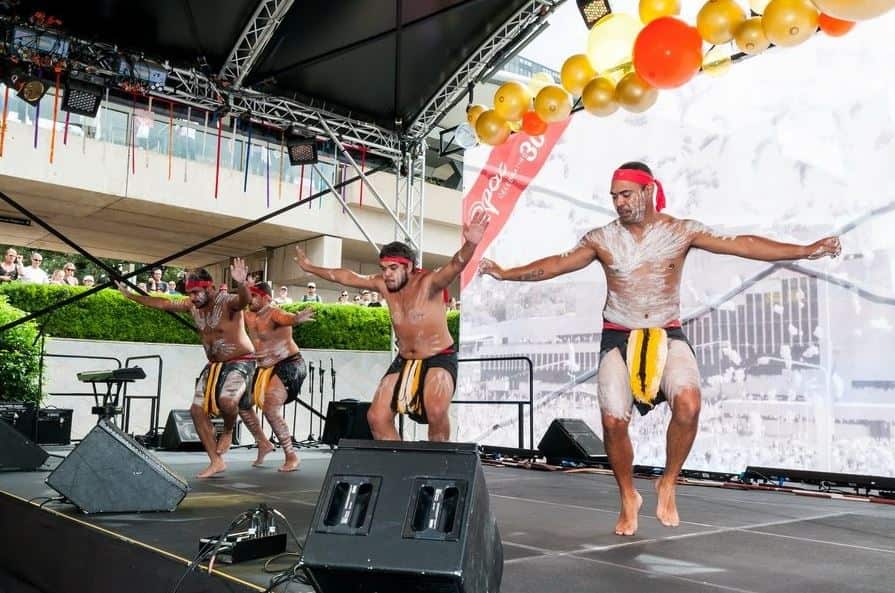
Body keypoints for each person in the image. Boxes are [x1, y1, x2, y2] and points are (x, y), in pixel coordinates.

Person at [478, 161, 841, 536]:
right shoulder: (602, 238)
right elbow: (557, 264)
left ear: (648, 190)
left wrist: (804, 249)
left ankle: (668, 481)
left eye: (626, 195)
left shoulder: (679, 231)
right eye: (614, 196)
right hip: (619, 336)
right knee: (613, 421)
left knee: (689, 403)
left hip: (667, 333)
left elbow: (742, 245)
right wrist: (505, 273)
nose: (619, 202)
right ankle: (627, 495)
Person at [294, 211, 489, 441]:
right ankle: (400, 463)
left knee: (436, 411)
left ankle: (438, 465)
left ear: (409, 267)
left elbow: (455, 265)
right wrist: (310, 268)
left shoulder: (429, 283)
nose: (386, 274)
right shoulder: (383, 285)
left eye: (393, 268)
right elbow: (344, 277)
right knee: (376, 417)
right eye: (384, 268)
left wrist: (471, 244)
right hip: (404, 359)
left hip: (438, 356)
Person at [117, 259, 270, 478]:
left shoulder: (226, 301)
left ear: (209, 288)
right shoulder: (191, 306)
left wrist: (242, 284)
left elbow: (243, 300)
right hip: (214, 364)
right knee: (196, 410)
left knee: (227, 401)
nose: (193, 297)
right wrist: (131, 296)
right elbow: (163, 303)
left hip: (241, 360)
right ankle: (216, 461)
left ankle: (227, 430)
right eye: (190, 293)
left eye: (197, 292)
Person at [244, 281, 315, 472]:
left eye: (254, 296)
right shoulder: (247, 314)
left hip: (289, 364)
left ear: (266, 298)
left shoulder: (274, 312)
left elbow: (286, 318)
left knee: (270, 407)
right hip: (263, 368)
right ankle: (263, 443)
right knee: (242, 404)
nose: (250, 299)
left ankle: (291, 456)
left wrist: (297, 318)